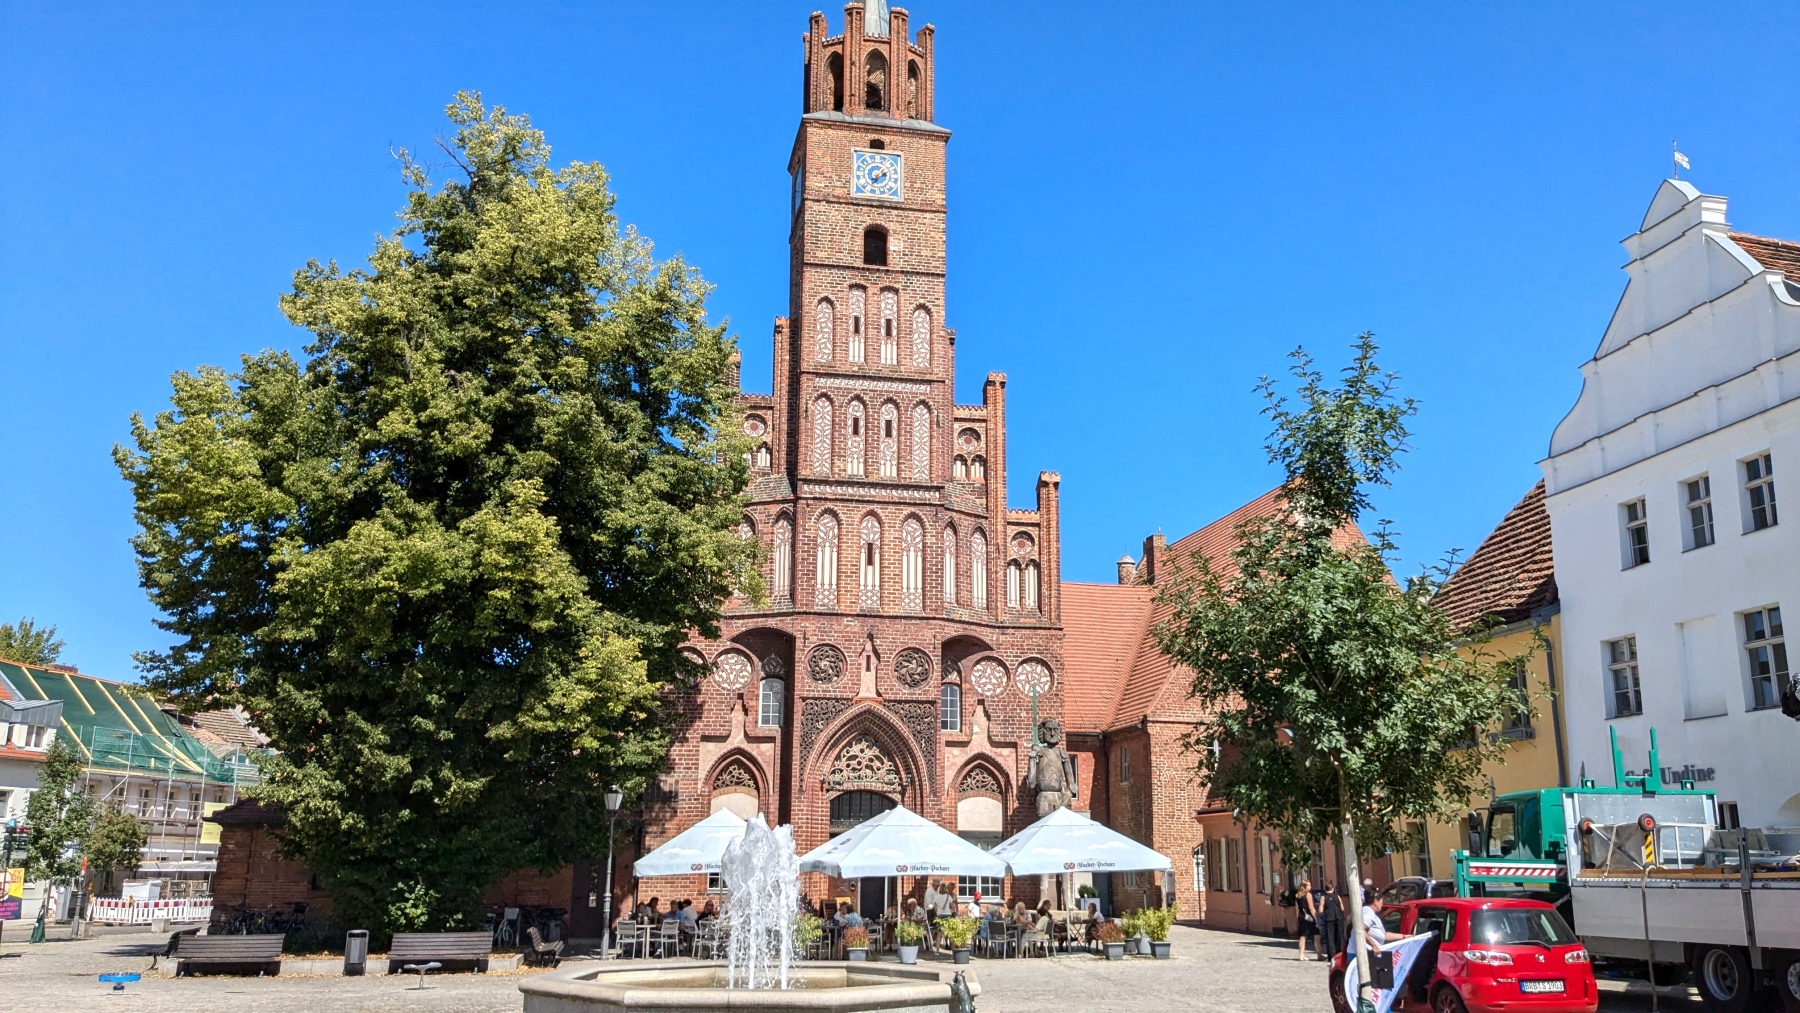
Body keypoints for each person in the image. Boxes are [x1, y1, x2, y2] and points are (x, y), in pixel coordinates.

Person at [1294, 876, 1319, 961]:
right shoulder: (1308, 895)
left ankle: (1301, 954)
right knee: (1316, 935)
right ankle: (1319, 954)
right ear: (1305, 886)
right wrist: (1316, 918)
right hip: (1309, 918)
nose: (1310, 887)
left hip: (1301, 917)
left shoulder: (1297, 895)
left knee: (1302, 936)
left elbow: (1297, 909)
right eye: (1309, 885)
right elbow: (1311, 908)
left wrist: (1297, 918)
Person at [1319, 882, 1347, 958]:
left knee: (1330, 936)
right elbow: (1342, 908)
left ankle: (1332, 955)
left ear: (1325, 889)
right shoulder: (1337, 896)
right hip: (1338, 917)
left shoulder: (1323, 897)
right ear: (1333, 889)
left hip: (1329, 918)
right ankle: (1339, 953)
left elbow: (1320, 910)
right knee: (1339, 935)